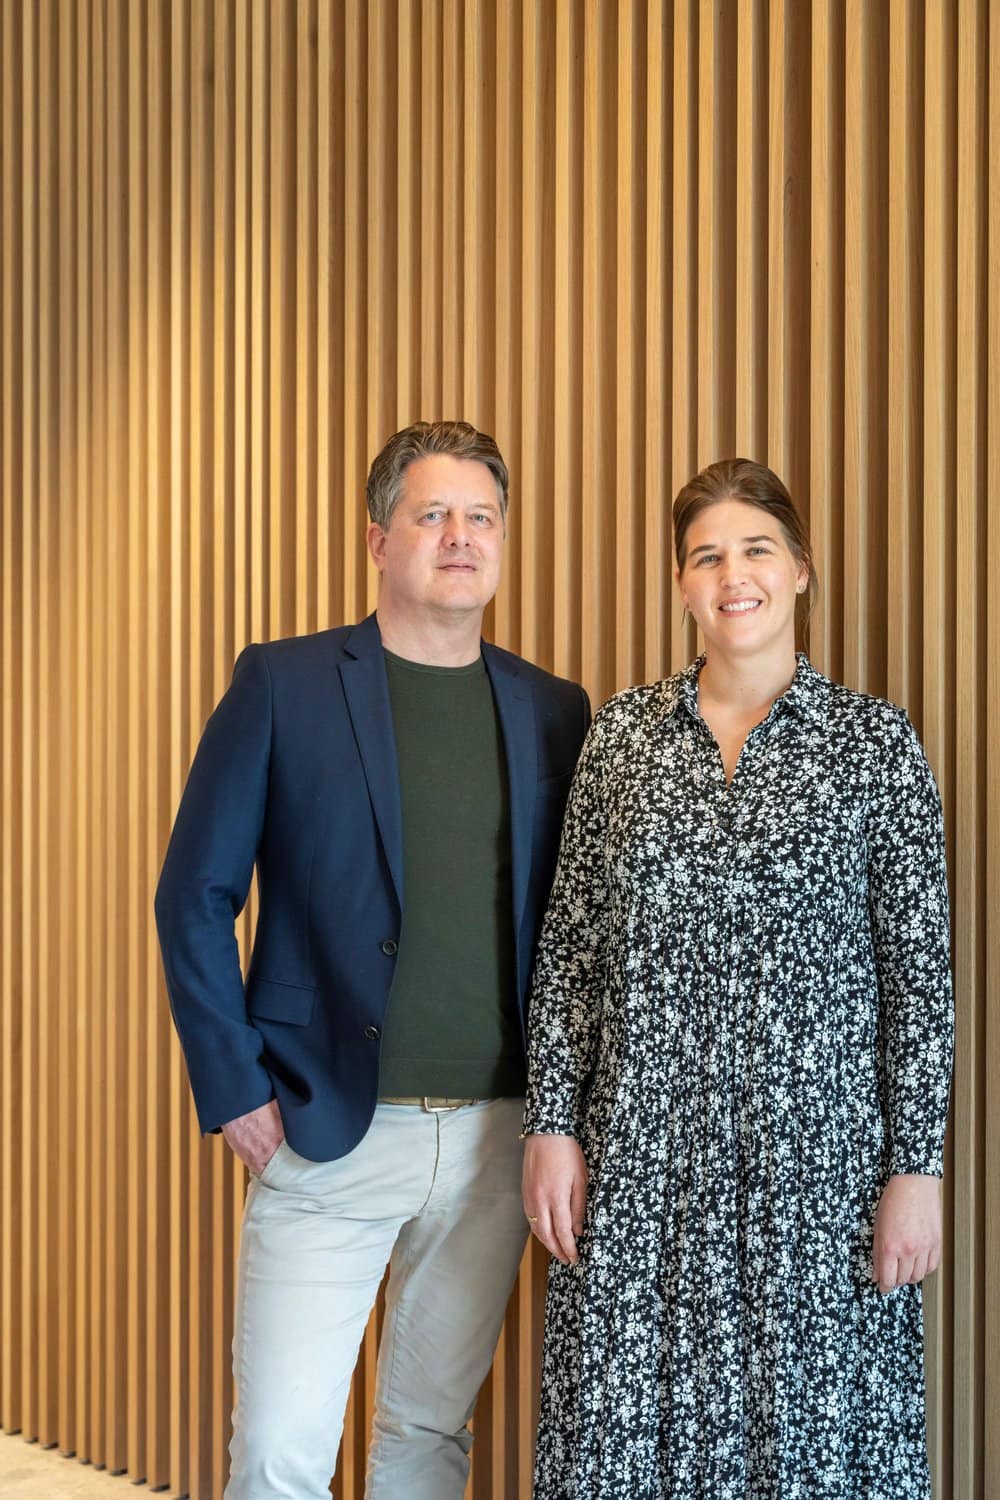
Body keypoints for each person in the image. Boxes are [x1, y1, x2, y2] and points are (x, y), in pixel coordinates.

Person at [154, 420, 590, 1500]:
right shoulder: (284, 683)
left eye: (480, 517)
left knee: (428, 1438)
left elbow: (575, 928)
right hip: (327, 1129)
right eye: (431, 514)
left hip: (495, 1139)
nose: (459, 537)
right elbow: (193, 895)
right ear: (377, 539)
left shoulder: (553, 710)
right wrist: (235, 1089)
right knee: (279, 1454)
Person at [522, 458, 954, 1498]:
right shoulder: (622, 739)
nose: (733, 575)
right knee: (628, 1443)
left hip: (820, 1175)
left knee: (807, 1448)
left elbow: (919, 979)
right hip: (639, 1165)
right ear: (681, 584)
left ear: (800, 569)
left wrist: (918, 1168)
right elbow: (570, 949)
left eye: (756, 549)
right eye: (705, 556)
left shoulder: (874, 746)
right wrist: (550, 1124)